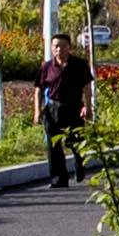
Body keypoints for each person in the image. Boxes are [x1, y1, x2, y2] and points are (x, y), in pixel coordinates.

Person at [41, 31, 97, 186]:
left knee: (76, 142)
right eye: (55, 46)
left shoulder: (79, 64)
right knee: (54, 145)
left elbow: (87, 86)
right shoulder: (47, 67)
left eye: (62, 46)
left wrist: (88, 106)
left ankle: (79, 164)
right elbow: (39, 89)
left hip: (74, 108)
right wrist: (37, 110)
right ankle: (59, 179)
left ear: (69, 48)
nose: (59, 49)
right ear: (52, 48)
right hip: (53, 109)